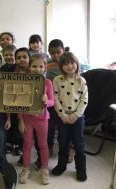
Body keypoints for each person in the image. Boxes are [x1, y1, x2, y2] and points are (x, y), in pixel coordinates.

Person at [51, 52, 88, 182]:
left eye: (72, 63)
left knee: (78, 142)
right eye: (66, 64)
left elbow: (84, 99)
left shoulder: (81, 80)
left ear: (77, 64)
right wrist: (62, 115)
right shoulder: (57, 80)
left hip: (78, 116)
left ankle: (81, 169)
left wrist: (76, 115)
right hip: (63, 116)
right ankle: (61, 165)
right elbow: (55, 98)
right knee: (63, 141)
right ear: (61, 66)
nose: (70, 66)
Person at [18, 54, 54, 185]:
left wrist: (46, 101)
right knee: (27, 144)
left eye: (40, 66)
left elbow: (52, 102)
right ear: (29, 66)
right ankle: (25, 169)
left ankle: (45, 170)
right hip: (27, 119)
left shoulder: (48, 82)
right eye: (34, 66)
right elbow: (19, 103)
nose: (37, 69)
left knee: (43, 144)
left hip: (42, 119)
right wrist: (20, 120)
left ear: (45, 67)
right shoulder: (25, 81)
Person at [32, 39, 65, 170]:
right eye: (52, 53)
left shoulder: (68, 63)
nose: (56, 55)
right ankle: (45, 153)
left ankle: (67, 152)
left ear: (63, 50)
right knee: (48, 131)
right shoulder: (47, 63)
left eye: (58, 52)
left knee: (64, 131)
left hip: (63, 102)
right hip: (48, 101)